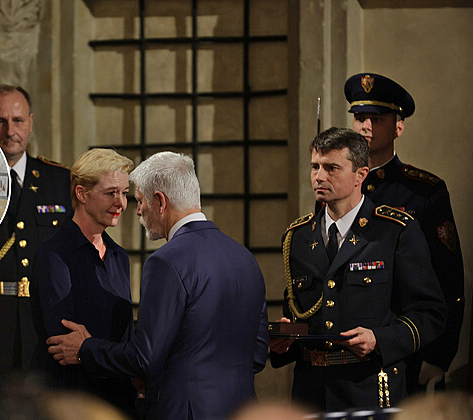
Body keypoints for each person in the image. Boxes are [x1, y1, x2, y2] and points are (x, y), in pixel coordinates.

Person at [47, 151, 269, 420]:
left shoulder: (166, 261)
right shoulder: (245, 258)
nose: (137, 210)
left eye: (140, 201)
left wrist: (86, 348)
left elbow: (145, 358)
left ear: (160, 202)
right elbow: (257, 356)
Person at [270, 127, 446, 411]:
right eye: (315, 167)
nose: (319, 177)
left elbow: (430, 313)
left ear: (360, 175)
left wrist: (380, 339)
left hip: (369, 387)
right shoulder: (297, 237)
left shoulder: (394, 231)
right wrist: (286, 336)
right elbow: (300, 311)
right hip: (311, 391)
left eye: (331, 168)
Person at [0, 85, 73, 420]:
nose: (10, 131)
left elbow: (79, 261)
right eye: (0, 121)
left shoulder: (59, 181)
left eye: (18, 120)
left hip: (46, 336)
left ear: (31, 122)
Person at [344, 72, 465, 394]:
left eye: (377, 119)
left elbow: (449, 279)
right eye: (360, 118)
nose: (366, 127)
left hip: (407, 348)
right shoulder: (339, 185)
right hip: (350, 352)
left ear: (398, 127)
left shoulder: (423, 191)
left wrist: (438, 356)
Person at [31, 148, 137, 416]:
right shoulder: (54, 253)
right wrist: (109, 353)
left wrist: (91, 348)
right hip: (72, 400)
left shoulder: (119, 256)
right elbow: (63, 342)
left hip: (118, 398)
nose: (121, 203)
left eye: (124, 193)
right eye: (111, 193)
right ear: (81, 194)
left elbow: (123, 335)